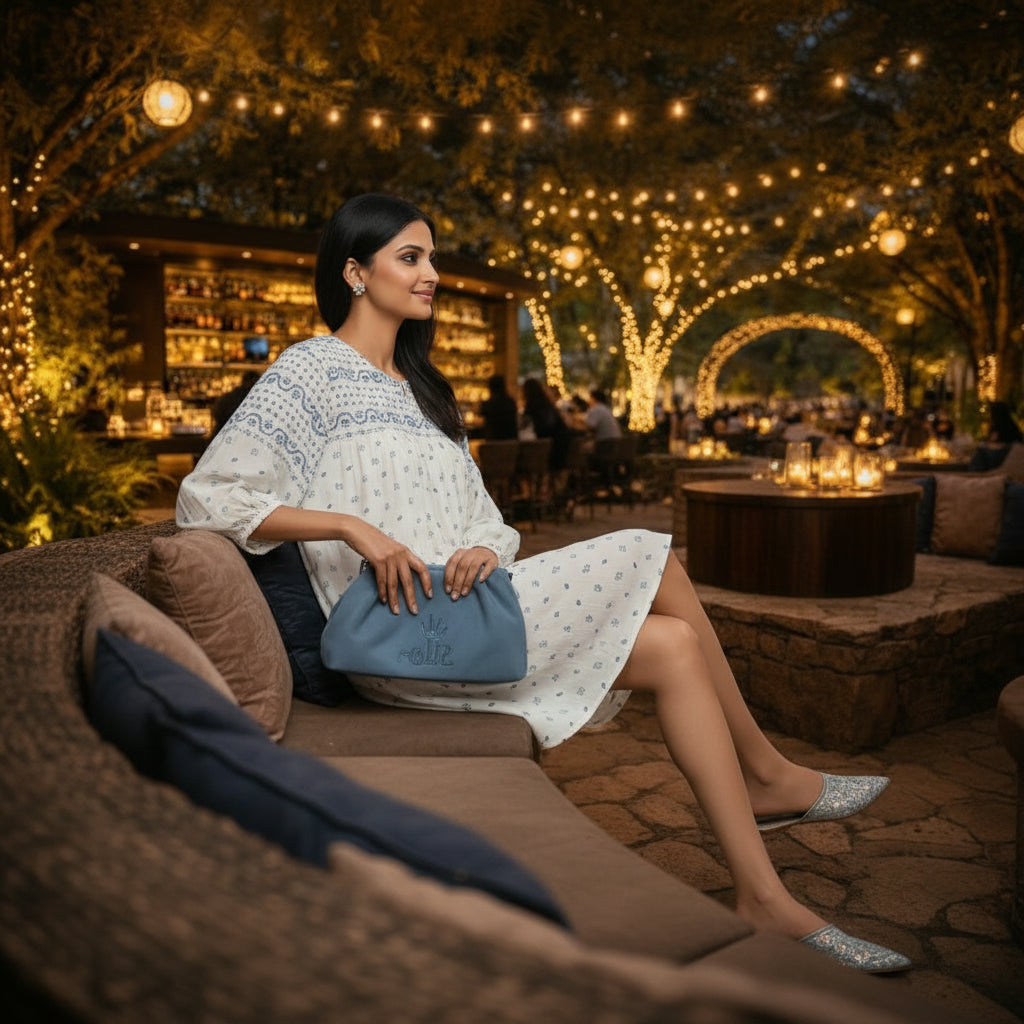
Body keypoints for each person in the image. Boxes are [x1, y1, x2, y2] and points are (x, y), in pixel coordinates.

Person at [176, 193, 908, 973]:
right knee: (652, 555)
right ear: (355, 272)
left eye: (432, 259)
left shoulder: (429, 395)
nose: (431, 276)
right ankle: (767, 774)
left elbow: (486, 519)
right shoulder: (309, 371)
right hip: (401, 638)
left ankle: (761, 896)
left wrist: (485, 551)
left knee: (676, 648)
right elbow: (208, 496)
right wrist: (349, 527)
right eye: (410, 258)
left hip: (462, 610)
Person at [519, 376, 571, 470]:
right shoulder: (548, 405)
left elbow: (528, 427)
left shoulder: (531, 407)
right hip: (560, 445)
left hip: (548, 450)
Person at [478, 374, 519, 440]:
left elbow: (480, 416)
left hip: (492, 442)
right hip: (511, 442)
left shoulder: (488, 404)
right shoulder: (510, 402)